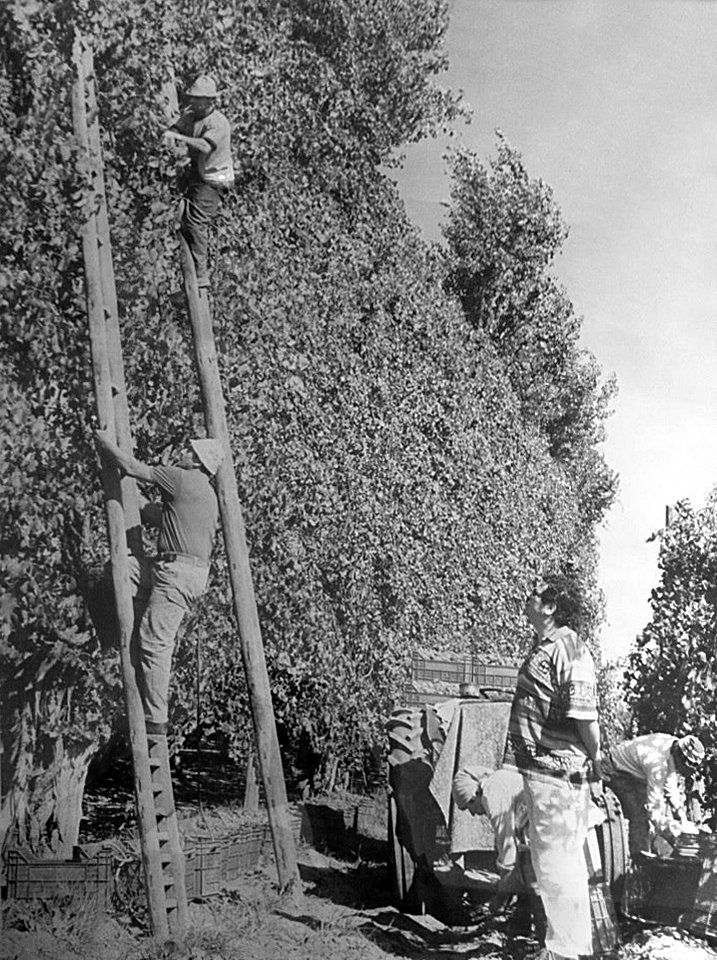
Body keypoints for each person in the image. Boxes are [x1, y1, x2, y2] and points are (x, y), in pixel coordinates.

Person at [95, 431, 224, 734]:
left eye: (188, 450)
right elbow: (152, 513)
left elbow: (130, 466)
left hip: (178, 573)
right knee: (122, 569)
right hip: (175, 570)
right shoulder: (202, 493)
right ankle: (116, 634)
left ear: (196, 461)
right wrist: (118, 486)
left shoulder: (180, 477)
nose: (182, 452)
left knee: (154, 642)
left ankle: (156, 721)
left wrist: (103, 445)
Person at [503, 573, 601, 960]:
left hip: (558, 777)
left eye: (534, 594)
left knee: (559, 869)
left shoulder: (570, 648)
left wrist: (596, 757)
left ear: (550, 606)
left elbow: (586, 718)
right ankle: (563, 949)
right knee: (555, 866)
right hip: (544, 775)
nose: (526, 598)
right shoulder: (547, 645)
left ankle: (563, 953)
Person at [163, 75, 234, 289]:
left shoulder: (219, 123)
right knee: (178, 210)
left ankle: (201, 274)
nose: (192, 102)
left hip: (215, 178)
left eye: (197, 99)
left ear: (210, 101)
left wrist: (180, 139)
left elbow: (204, 146)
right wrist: (173, 133)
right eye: (192, 98)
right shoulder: (192, 115)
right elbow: (177, 127)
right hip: (199, 172)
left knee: (195, 222)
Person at [601, 732, 705, 857]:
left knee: (657, 821)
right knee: (640, 817)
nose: (690, 773)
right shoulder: (657, 764)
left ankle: (650, 850)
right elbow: (653, 812)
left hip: (635, 772)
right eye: (689, 768)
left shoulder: (674, 747)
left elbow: (671, 789)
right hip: (615, 769)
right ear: (683, 759)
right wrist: (671, 829)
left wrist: (683, 819)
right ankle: (640, 864)